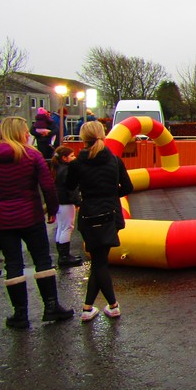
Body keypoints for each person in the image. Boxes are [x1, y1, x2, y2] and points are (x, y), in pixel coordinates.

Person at [0, 117, 75, 328]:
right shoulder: (31, 155)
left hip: (1, 219)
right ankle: (51, 306)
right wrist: (52, 210)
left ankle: (20, 313)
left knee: (13, 263)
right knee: (42, 260)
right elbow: (48, 185)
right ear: (21, 133)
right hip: (30, 215)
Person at [67, 121, 133, 321]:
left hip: (89, 215)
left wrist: (80, 200)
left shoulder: (77, 163)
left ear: (83, 138)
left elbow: (69, 186)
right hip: (109, 214)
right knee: (100, 262)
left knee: (98, 261)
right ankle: (110, 306)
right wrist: (112, 194)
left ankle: (90, 308)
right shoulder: (114, 160)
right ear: (102, 135)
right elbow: (128, 187)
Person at [49, 146, 83, 267]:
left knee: (61, 227)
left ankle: (62, 254)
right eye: (72, 156)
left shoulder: (57, 169)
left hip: (59, 202)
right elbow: (71, 189)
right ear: (64, 158)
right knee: (67, 227)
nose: (74, 158)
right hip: (66, 202)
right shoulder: (67, 170)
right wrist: (78, 202)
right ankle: (65, 257)